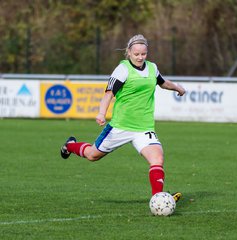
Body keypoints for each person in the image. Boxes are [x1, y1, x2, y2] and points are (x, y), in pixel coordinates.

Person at [60, 34, 186, 202]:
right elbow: (109, 93)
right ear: (128, 52)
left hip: (144, 128)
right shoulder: (123, 70)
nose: (140, 57)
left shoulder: (152, 68)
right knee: (92, 155)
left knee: (157, 159)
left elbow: (162, 82)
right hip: (120, 127)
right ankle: (70, 146)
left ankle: (158, 199)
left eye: (144, 54)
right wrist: (101, 113)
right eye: (137, 54)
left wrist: (177, 88)